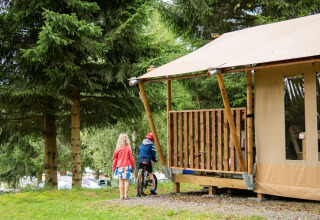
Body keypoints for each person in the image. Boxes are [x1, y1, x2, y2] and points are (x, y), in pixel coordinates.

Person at [113, 133, 135, 200]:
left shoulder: (117, 149)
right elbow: (131, 158)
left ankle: (121, 196)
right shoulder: (128, 148)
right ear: (126, 140)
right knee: (126, 181)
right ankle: (126, 195)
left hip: (119, 167)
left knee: (121, 181)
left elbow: (114, 159)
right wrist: (133, 166)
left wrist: (114, 168)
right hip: (127, 166)